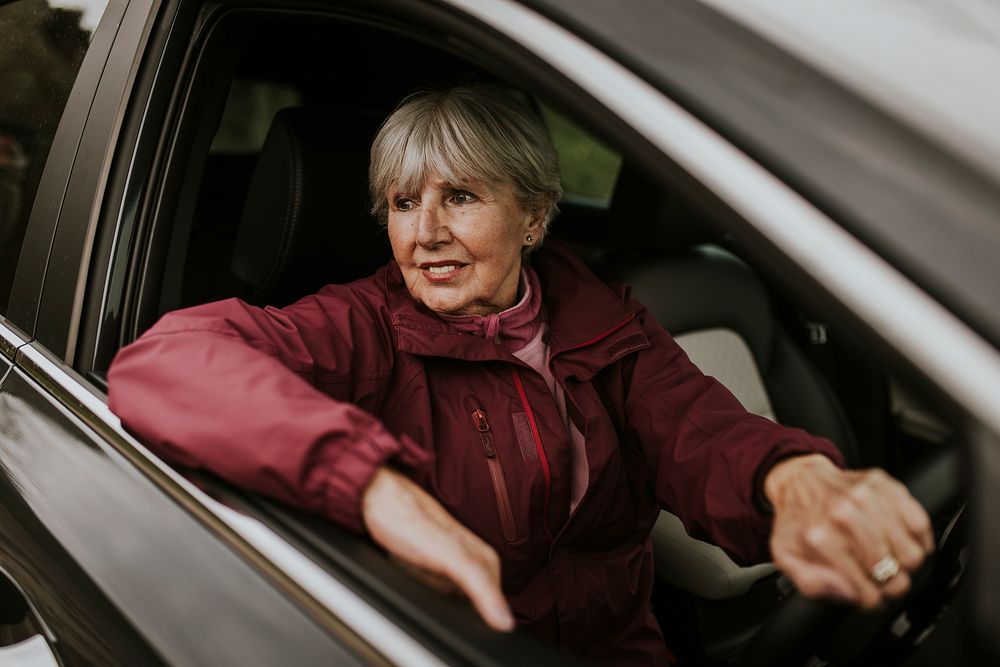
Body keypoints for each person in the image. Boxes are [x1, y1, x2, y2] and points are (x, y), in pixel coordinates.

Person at [108, 86, 933, 665]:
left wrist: (793, 480)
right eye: (401, 203)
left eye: (459, 196)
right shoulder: (360, 324)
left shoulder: (605, 322)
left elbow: (701, 431)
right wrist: (371, 485)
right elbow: (166, 361)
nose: (424, 232)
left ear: (533, 216)